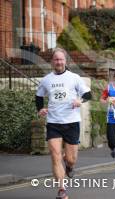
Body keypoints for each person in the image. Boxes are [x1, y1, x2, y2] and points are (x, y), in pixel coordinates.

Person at [36, 48, 91, 199]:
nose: (59, 62)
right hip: (53, 122)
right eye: (56, 59)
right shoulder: (46, 79)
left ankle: (70, 166)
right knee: (55, 155)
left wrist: (79, 100)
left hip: (72, 122)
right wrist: (40, 108)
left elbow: (88, 94)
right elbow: (39, 95)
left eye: (61, 59)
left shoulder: (74, 78)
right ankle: (61, 189)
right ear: (52, 61)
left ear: (66, 61)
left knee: (71, 158)